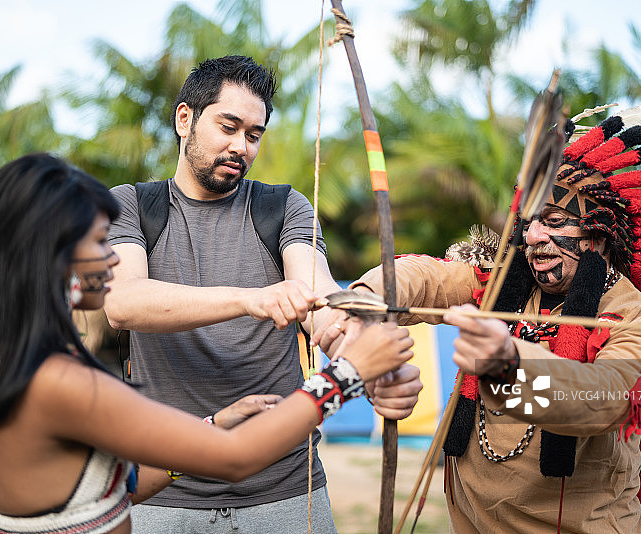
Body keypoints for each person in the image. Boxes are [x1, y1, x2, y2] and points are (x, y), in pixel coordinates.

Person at [0, 153, 415, 534]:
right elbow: (236, 460)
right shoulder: (59, 381)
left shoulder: (7, 363)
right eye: (100, 243)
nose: (112, 259)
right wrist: (347, 375)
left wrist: (213, 424)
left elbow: (123, 485)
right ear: (52, 254)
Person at [331, 109, 641, 533]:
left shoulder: (640, 322)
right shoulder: (504, 282)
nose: (534, 236)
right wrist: (365, 299)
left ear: (598, 234)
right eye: (529, 222)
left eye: (554, 221)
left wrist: (509, 363)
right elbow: (426, 276)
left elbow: (605, 401)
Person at [104, 54, 423, 532]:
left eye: (254, 135)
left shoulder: (281, 206)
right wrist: (249, 298)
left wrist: (366, 361)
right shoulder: (130, 205)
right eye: (228, 126)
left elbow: (320, 302)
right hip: (162, 488)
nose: (241, 146)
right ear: (185, 119)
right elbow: (122, 304)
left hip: (284, 488)